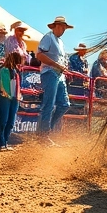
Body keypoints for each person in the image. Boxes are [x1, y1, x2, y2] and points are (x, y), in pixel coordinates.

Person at [36, 16, 74, 144]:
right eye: (62, 27)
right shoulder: (48, 37)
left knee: (64, 104)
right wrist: (57, 65)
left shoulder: (60, 42)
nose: (63, 29)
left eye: (65, 28)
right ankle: (44, 134)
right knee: (49, 104)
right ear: (56, 26)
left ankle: (45, 131)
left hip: (58, 74)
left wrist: (63, 68)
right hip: (50, 72)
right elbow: (39, 55)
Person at [0, 51, 23, 151]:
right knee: (4, 120)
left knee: (10, 121)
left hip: (14, 96)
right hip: (5, 96)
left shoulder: (17, 71)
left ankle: (4, 142)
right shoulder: (3, 70)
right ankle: (0, 143)